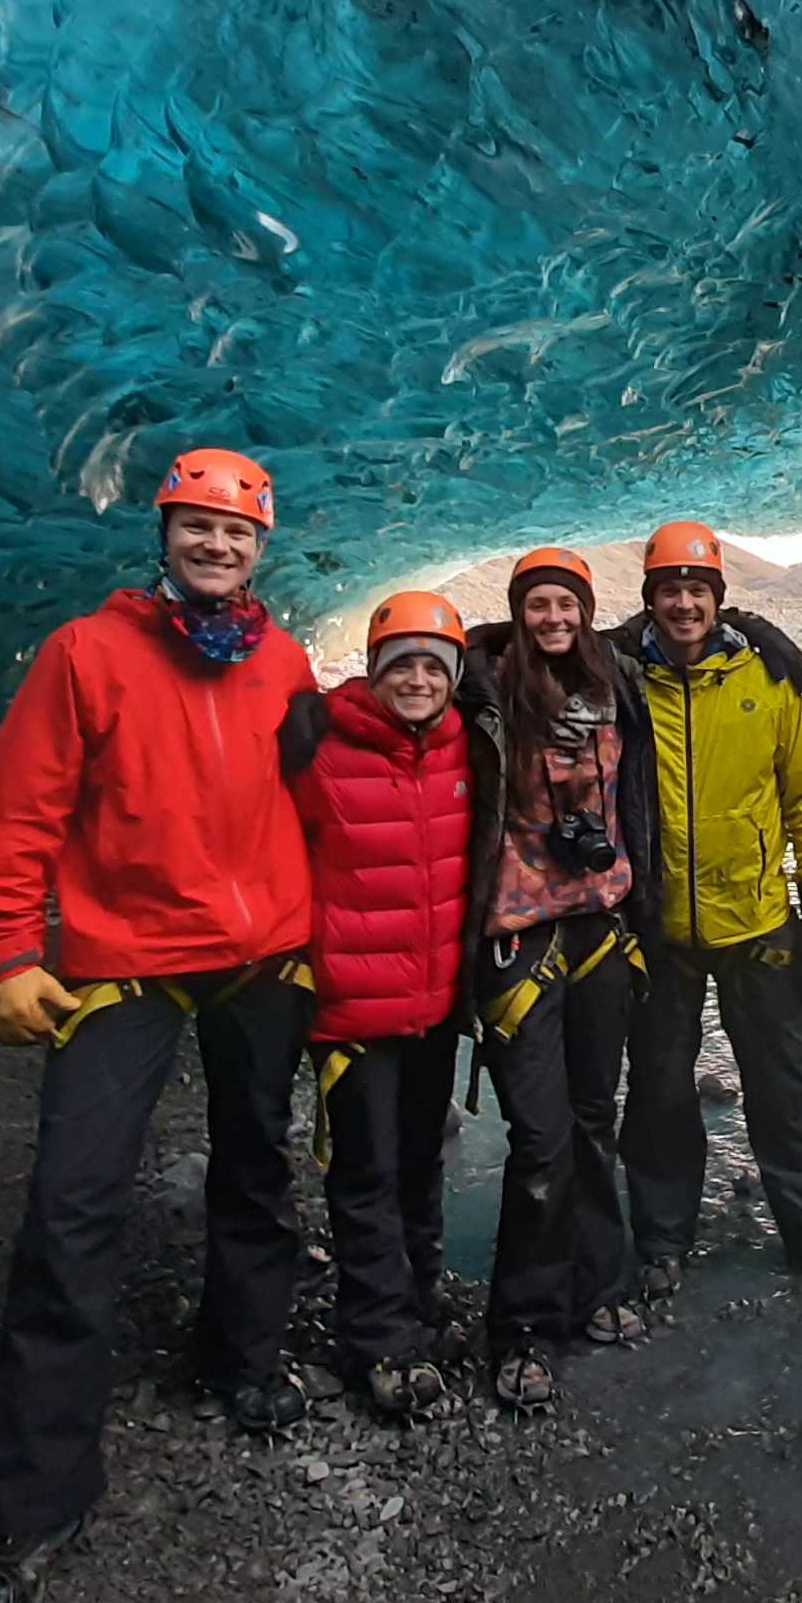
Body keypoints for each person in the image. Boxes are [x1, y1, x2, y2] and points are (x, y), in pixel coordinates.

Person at [0, 447, 320, 1603]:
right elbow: (18, 811)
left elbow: (320, 803)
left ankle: (241, 1360)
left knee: (260, 1168)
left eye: (238, 531)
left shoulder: (280, 660)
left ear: (262, 548)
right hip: (123, 962)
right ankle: (30, 1509)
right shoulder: (86, 654)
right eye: (199, 526)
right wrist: (10, 950)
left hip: (261, 955)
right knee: (71, 1208)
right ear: (165, 532)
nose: (218, 545)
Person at [613, 521, 802, 1294]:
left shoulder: (768, 683)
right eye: (669, 590)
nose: (684, 604)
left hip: (759, 922)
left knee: (787, 1090)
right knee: (658, 1096)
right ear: (651, 600)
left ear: (717, 599)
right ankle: (662, 1239)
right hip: (656, 929)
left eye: (697, 590)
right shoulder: (623, 682)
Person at [463, 546, 664, 1412]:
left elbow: (639, 796)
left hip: (603, 928)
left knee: (593, 1121)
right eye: (538, 605)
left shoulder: (613, 682)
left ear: (586, 611)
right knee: (540, 1141)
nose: (554, 619)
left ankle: (602, 1288)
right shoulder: (488, 686)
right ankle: (522, 1327)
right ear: (519, 610)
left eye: (567, 605)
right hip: (519, 940)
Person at [283, 591, 477, 1423]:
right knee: (364, 1177)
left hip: (433, 1008)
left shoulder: (466, 747)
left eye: (436, 666)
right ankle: (380, 1342)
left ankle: (419, 1303)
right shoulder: (319, 746)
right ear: (375, 671)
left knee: (421, 1161)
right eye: (404, 665)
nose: (420, 680)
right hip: (351, 1012)